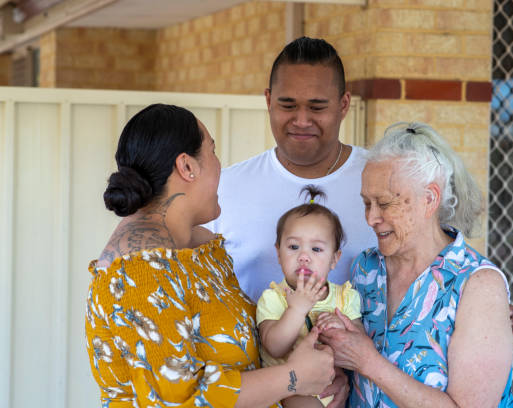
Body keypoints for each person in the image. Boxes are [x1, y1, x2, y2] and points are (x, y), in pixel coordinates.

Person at [84, 104, 336, 408]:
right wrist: (294, 377)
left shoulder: (201, 248)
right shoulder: (140, 270)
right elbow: (177, 400)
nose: (219, 165)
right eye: (212, 151)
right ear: (187, 166)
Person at [319, 122, 513, 407]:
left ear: (429, 199)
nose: (371, 218)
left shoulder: (477, 284)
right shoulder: (366, 269)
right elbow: (355, 369)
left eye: (384, 204)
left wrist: (368, 362)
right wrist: (340, 376)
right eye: (366, 203)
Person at [205, 36, 377, 303]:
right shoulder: (224, 188)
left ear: (344, 105)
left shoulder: (381, 182)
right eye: (288, 106)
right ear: (269, 100)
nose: (302, 120)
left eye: (317, 107)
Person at [256, 186, 364, 408]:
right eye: (293, 246)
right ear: (278, 253)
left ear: (334, 259)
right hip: (289, 390)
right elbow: (274, 347)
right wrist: (296, 310)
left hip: (332, 388)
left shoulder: (345, 297)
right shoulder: (274, 297)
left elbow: (360, 347)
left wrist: (341, 329)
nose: (304, 257)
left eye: (316, 249)